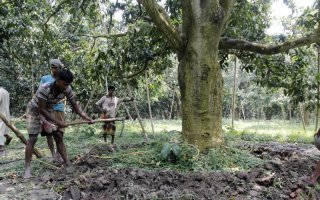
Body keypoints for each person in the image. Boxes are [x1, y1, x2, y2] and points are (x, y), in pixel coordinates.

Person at [24, 68, 93, 178]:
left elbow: (75, 105)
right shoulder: (44, 88)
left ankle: (67, 162)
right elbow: (41, 109)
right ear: (57, 79)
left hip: (48, 110)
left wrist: (85, 117)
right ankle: (27, 169)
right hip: (35, 110)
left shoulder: (67, 89)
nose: (66, 87)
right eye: (64, 84)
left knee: (58, 136)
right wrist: (58, 122)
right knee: (32, 138)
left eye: (68, 85)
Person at [40, 59, 65, 161]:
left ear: (60, 68)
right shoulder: (45, 78)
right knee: (49, 133)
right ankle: (53, 154)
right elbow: (40, 93)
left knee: (60, 131)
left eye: (56, 67)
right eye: (52, 67)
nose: (54, 69)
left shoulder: (63, 79)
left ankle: (59, 153)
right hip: (47, 110)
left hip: (59, 109)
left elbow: (66, 93)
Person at [0, 87, 13, 153]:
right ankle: (8, 137)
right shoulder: (6, 91)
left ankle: (1, 147)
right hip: (6, 113)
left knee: (0, 131)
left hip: (1, 114)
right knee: (3, 130)